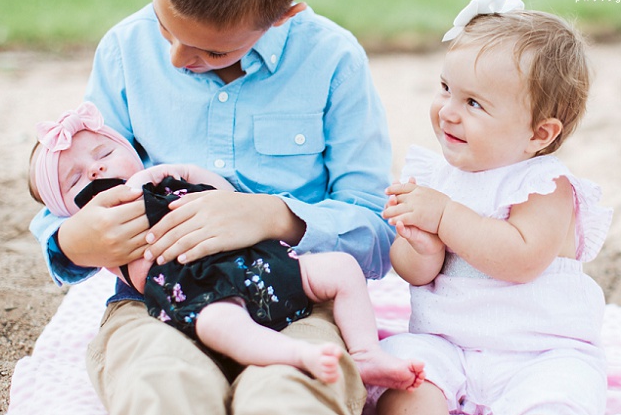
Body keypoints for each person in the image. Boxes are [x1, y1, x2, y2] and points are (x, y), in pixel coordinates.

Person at [29, 0, 397, 415]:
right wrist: (81, 239)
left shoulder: (334, 62)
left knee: (295, 392)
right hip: (156, 304)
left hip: (294, 294)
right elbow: (62, 192)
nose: (177, 57)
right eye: (165, 26)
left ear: (281, 18)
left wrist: (273, 217)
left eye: (210, 51)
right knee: (158, 384)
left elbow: (373, 228)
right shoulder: (125, 53)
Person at [28, 101, 425, 389]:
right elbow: (119, 264)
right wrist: (82, 238)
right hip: (205, 291)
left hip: (266, 263)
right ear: (69, 208)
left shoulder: (166, 180)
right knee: (220, 324)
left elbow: (224, 193)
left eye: (104, 153)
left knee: (341, 269)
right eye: (76, 180)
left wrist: (189, 174)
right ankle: (291, 354)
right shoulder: (108, 222)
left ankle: (365, 353)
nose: (96, 169)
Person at [369, 0, 613, 415]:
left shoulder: (543, 185)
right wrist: (421, 247)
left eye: (474, 103)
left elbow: (521, 260)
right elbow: (414, 272)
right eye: (446, 89)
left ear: (539, 134)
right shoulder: (436, 176)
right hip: (446, 343)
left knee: (560, 397)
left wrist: (444, 216)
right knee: (405, 378)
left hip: (539, 351)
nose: (448, 112)